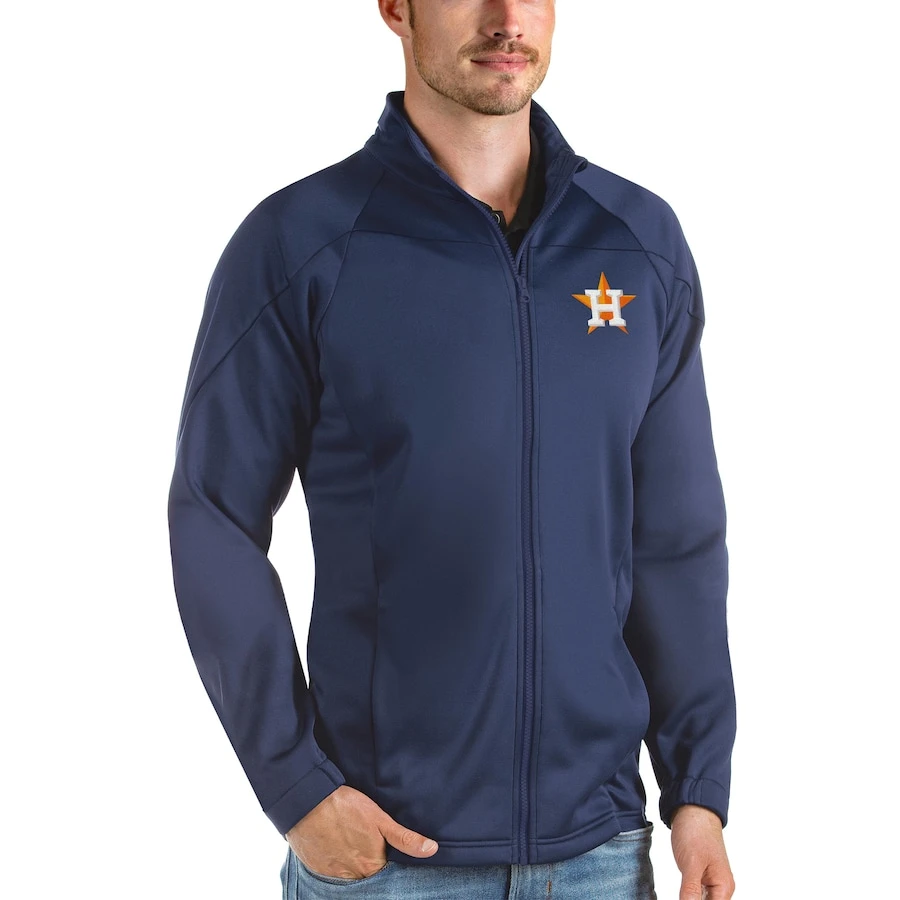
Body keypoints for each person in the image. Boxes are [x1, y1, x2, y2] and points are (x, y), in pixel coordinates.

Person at [167, 1, 737, 897]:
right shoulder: (306, 242)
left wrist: (698, 792)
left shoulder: (637, 243)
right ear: (397, 7)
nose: (508, 18)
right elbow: (213, 516)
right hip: (390, 857)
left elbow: (676, 536)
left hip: (601, 853)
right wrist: (298, 788)